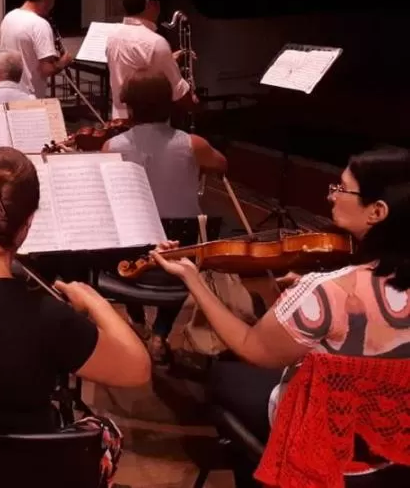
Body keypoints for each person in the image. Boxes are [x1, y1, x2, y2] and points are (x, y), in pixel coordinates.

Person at [152, 147, 410, 483]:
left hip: (324, 439)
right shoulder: (327, 289)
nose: (331, 197)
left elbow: (255, 349)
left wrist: (193, 280)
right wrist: (270, 292)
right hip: (393, 434)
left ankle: (254, 472)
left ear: (377, 211)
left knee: (224, 372)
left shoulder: (328, 289)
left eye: (342, 189)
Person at [0, 147, 150, 483]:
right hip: (26, 471)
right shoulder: (47, 317)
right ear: (26, 223)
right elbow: (138, 369)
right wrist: (97, 302)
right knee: (105, 430)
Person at [102, 69, 227, 361]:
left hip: (131, 256)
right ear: (168, 105)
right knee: (184, 248)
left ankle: (136, 321)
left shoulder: (112, 147)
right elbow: (222, 165)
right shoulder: (193, 144)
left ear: (129, 107)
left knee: (116, 240)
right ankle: (160, 332)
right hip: (177, 253)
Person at [105, 0, 194, 121]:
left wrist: (169, 59)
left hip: (119, 119)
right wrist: (195, 104)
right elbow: (179, 93)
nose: (159, 7)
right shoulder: (155, 42)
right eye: (158, 1)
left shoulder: (112, 36)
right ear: (149, 3)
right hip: (147, 127)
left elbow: (135, 67)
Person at [0, 0, 73, 98]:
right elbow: (46, 69)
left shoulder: (9, 17)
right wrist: (63, 62)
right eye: (53, 1)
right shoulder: (40, 24)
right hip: (30, 96)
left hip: (8, 92)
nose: (52, 6)